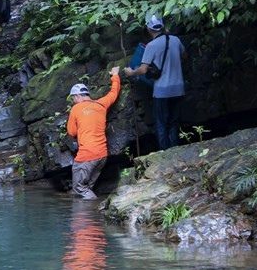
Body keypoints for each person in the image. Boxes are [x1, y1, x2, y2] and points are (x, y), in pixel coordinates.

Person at [124, 15, 186, 150]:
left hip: (162, 91)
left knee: (161, 123)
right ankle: (175, 149)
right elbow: (184, 55)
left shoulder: (151, 46)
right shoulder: (175, 40)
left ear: (148, 28)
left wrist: (131, 72)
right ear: (162, 26)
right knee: (173, 122)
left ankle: (164, 152)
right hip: (179, 88)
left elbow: (143, 69)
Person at [66, 66, 121, 199]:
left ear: (78, 96)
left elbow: (71, 132)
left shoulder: (76, 109)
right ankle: (90, 217)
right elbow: (114, 92)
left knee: (79, 188)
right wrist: (115, 75)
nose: (73, 101)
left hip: (86, 156)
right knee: (87, 188)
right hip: (101, 156)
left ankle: (94, 208)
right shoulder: (101, 104)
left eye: (73, 99)